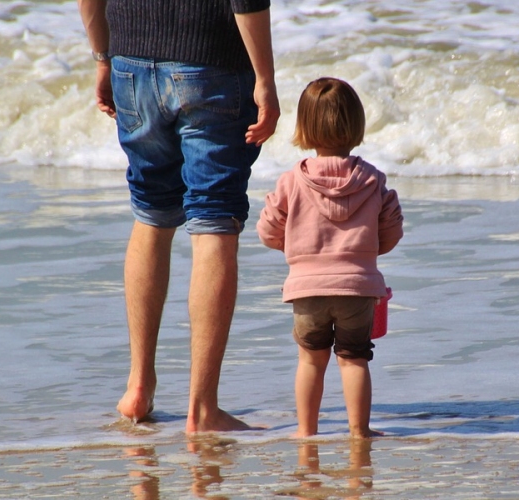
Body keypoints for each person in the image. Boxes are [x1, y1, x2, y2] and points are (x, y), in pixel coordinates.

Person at [77, 0, 281, 433]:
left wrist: (102, 58)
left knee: (151, 213)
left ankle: (137, 388)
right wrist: (265, 78)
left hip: (130, 61)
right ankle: (203, 409)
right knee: (213, 222)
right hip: (212, 63)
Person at [256, 77, 403, 438]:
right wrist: (365, 254)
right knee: (354, 359)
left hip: (306, 289)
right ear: (356, 125)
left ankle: (306, 431)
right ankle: (359, 431)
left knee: (310, 359)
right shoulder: (373, 180)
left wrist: (298, 252)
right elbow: (390, 232)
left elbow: (267, 229)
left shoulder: (292, 181)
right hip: (358, 287)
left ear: (303, 127)